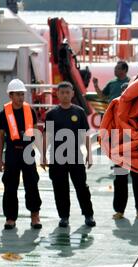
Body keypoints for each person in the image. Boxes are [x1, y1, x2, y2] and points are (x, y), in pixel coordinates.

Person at [42, 81, 95, 228]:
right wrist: (43, 155)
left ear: (72, 94)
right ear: (57, 94)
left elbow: (85, 135)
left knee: (81, 187)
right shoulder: (51, 114)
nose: (65, 95)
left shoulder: (79, 112)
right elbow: (46, 134)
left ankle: (88, 215)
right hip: (56, 157)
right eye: (62, 92)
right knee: (60, 188)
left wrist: (89, 154)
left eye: (68, 92)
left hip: (75, 156)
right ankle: (64, 217)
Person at [0, 78, 42, 230]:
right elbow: (0, 137)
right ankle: (10, 218)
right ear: (10, 96)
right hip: (12, 153)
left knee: (32, 184)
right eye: (17, 94)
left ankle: (35, 215)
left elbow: (36, 132)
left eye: (22, 94)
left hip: (28, 152)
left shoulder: (30, 111)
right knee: (10, 186)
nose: (20, 97)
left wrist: (42, 154)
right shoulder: (3, 114)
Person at [111, 82, 138, 221]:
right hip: (120, 149)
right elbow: (110, 126)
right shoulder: (115, 107)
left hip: (137, 150)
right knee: (120, 180)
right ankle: (119, 210)